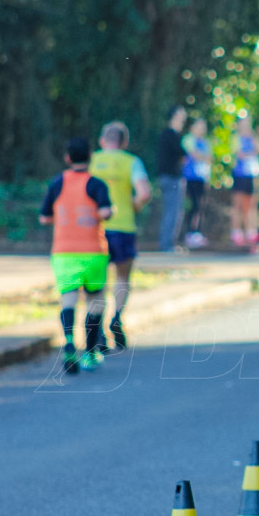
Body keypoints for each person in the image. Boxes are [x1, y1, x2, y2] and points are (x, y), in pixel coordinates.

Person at [39, 138, 114, 372]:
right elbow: (105, 212)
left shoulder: (57, 182)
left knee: (68, 299)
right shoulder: (96, 184)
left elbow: (44, 217)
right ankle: (90, 353)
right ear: (90, 157)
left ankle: (69, 343)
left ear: (68, 158)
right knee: (95, 301)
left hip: (63, 252)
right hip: (93, 251)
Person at [90, 121, 152, 352]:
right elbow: (144, 193)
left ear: (101, 141)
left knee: (98, 282)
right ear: (124, 142)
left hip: (96, 229)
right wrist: (133, 205)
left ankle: (96, 332)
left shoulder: (91, 162)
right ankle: (116, 318)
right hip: (124, 227)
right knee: (122, 277)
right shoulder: (131, 162)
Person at [230, 112, 259, 249]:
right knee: (238, 203)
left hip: (252, 174)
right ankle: (236, 231)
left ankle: (250, 230)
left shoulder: (252, 137)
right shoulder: (236, 138)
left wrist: (253, 140)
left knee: (251, 204)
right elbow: (240, 154)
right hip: (239, 174)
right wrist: (252, 152)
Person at [157, 105, 187, 252]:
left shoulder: (172, 135)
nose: (184, 117)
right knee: (172, 211)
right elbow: (182, 154)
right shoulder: (170, 135)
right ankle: (167, 245)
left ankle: (168, 243)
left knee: (173, 211)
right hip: (170, 178)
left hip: (170, 178)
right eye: (181, 114)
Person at [182, 117, 212, 249]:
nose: (202, 128)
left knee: (200, 206)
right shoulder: (188, 139)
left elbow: (209, 159)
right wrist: (203, 156)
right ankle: (189, 233)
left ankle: (197, 233)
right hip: (190, 178)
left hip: (202, 178)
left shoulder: (205, 142)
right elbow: (194, 155)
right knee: (192, 205)